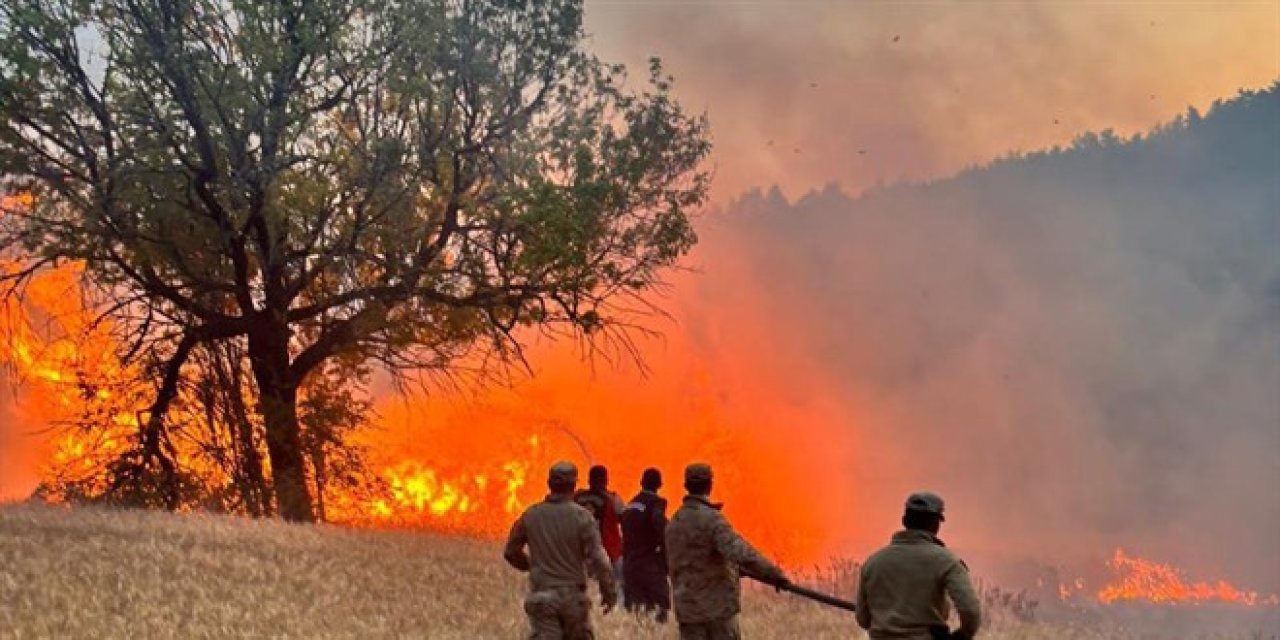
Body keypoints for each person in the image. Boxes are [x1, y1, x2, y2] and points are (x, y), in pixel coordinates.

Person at [665, 462, 787, 639]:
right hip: (717, 611)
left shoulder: (674, 524)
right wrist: (773, 573)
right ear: (710, 485)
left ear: (686, 486)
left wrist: (734, 569)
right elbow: (740, 552)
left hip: (688, 613)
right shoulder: (712, 520)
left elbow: (687, 561)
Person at [504, 461, 619, 640]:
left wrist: (533, 565)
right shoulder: (582, 517)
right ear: (573, 485)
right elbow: (599, 559)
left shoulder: (531, 515)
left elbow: (511, 552)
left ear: (549, 484)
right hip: (574, 601)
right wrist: (608, 592)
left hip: (542, 598)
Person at [855, 492, 982, 640]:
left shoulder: (873, 563)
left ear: (904, 521)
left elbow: (863, 619)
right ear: (936, 525)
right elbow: (971, 612)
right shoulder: (946, 561)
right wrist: (961, 636)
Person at [620, 467, 672, 623]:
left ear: (641, 483)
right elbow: (660, 525)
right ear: (659, 485)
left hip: (629, 566)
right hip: (650, 566)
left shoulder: (631, 504)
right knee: (659, 611)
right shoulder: (656, 502)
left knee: (636, 613)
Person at [573, 464, 625, 581]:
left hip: (580, 554)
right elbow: (625, 520)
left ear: (589, 480)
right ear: (606, 480)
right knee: (617, 584)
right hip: (608, 552)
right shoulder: (613, 499)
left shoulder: (577, 497)